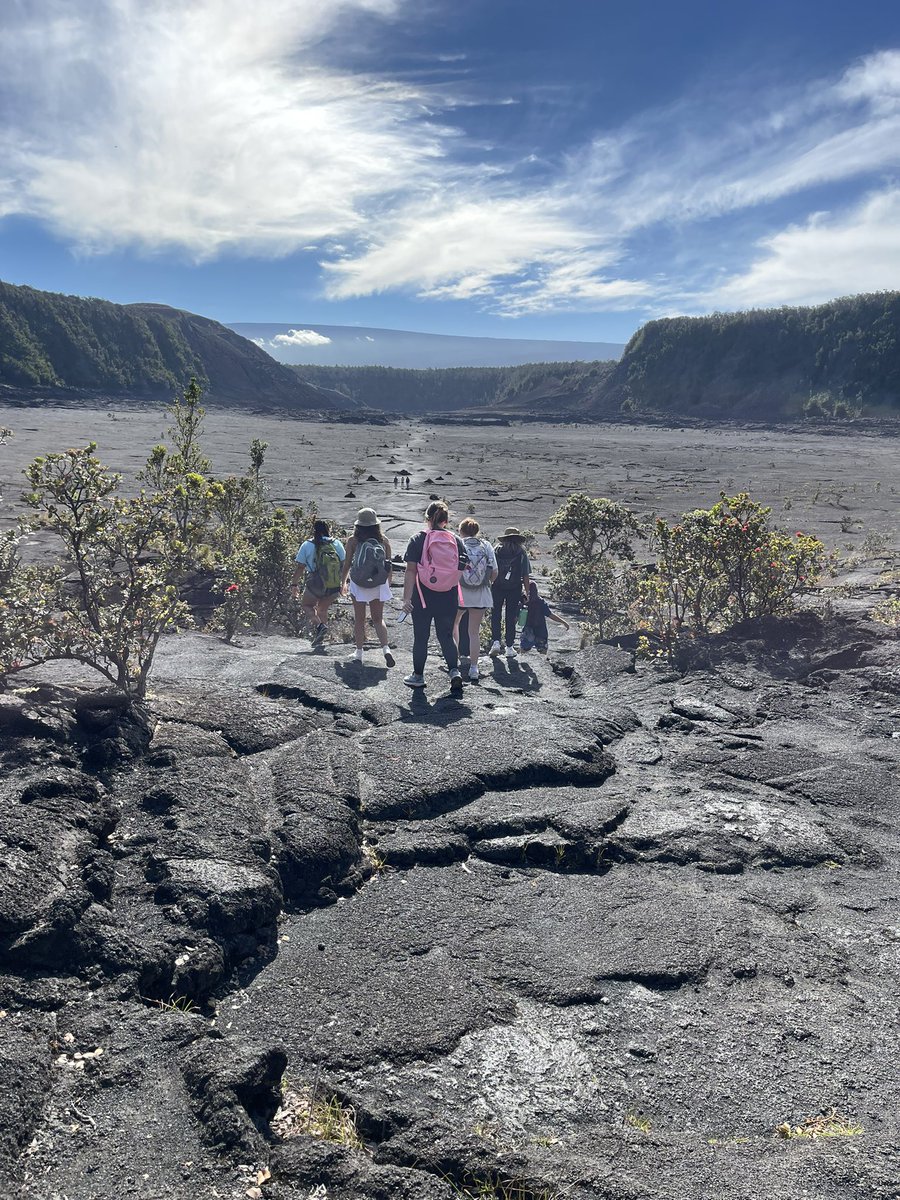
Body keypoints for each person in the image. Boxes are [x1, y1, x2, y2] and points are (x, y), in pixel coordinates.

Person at [401, 500, 467, 692]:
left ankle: (418, 676)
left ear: (428, 519)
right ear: (445, 521)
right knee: (446, 635)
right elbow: (461, 569)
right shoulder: (457, 541)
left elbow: (411, 570)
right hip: (449, 595)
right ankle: (454, 671)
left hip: (422, 596)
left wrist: (407, 599)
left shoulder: (418, 539)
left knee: (421, 636)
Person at [341, 507, 395, 667]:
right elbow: (388, 564)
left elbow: (347, 563)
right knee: (378, 619)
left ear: (359, 525)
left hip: (358, 583)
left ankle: (358, 653)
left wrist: (343, 582)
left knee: (359, 619)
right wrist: (387, 583)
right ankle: (386, 650)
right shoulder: (383, 540)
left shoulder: (353, 540)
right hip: (379, 583)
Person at [454, 517, 498, 681]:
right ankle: (474, 669)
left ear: (461, 531)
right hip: (481, 595)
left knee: (455, 624)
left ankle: (455, 661)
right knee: (474, 632)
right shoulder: (486, 546)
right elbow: (494, 573)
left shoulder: (458, 543)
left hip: (460, 593)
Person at [291, 519, 346, 648]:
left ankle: (320, 626)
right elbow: (344, 564)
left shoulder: (307, 544)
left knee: (307, 605)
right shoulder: (336, 543)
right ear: (328, 529)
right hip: (333, 583)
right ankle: (321, 638)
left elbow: (300, 567)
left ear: (314, 530)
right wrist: (344, 583)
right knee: (323, 609)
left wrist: (294, 584)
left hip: (315, 583)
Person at [489, 527, 531, 659]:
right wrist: (527, 592)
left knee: (495, 614)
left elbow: (492, 570)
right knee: (510, 616)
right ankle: (509, 647)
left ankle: (496, 642)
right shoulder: (521, 552)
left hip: (497, 586)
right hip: (514, 588)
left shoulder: (497, 550)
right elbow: (525, 574)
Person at [520, 581, 570, 653]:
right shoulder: (541, 602)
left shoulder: (524, 601)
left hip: (528, 629)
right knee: (542, 650)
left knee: (524, 648)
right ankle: (545, 662)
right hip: (541, 629)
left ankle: (520, 660)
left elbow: (517, 615)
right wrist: (563, 622)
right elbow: (550, 615)